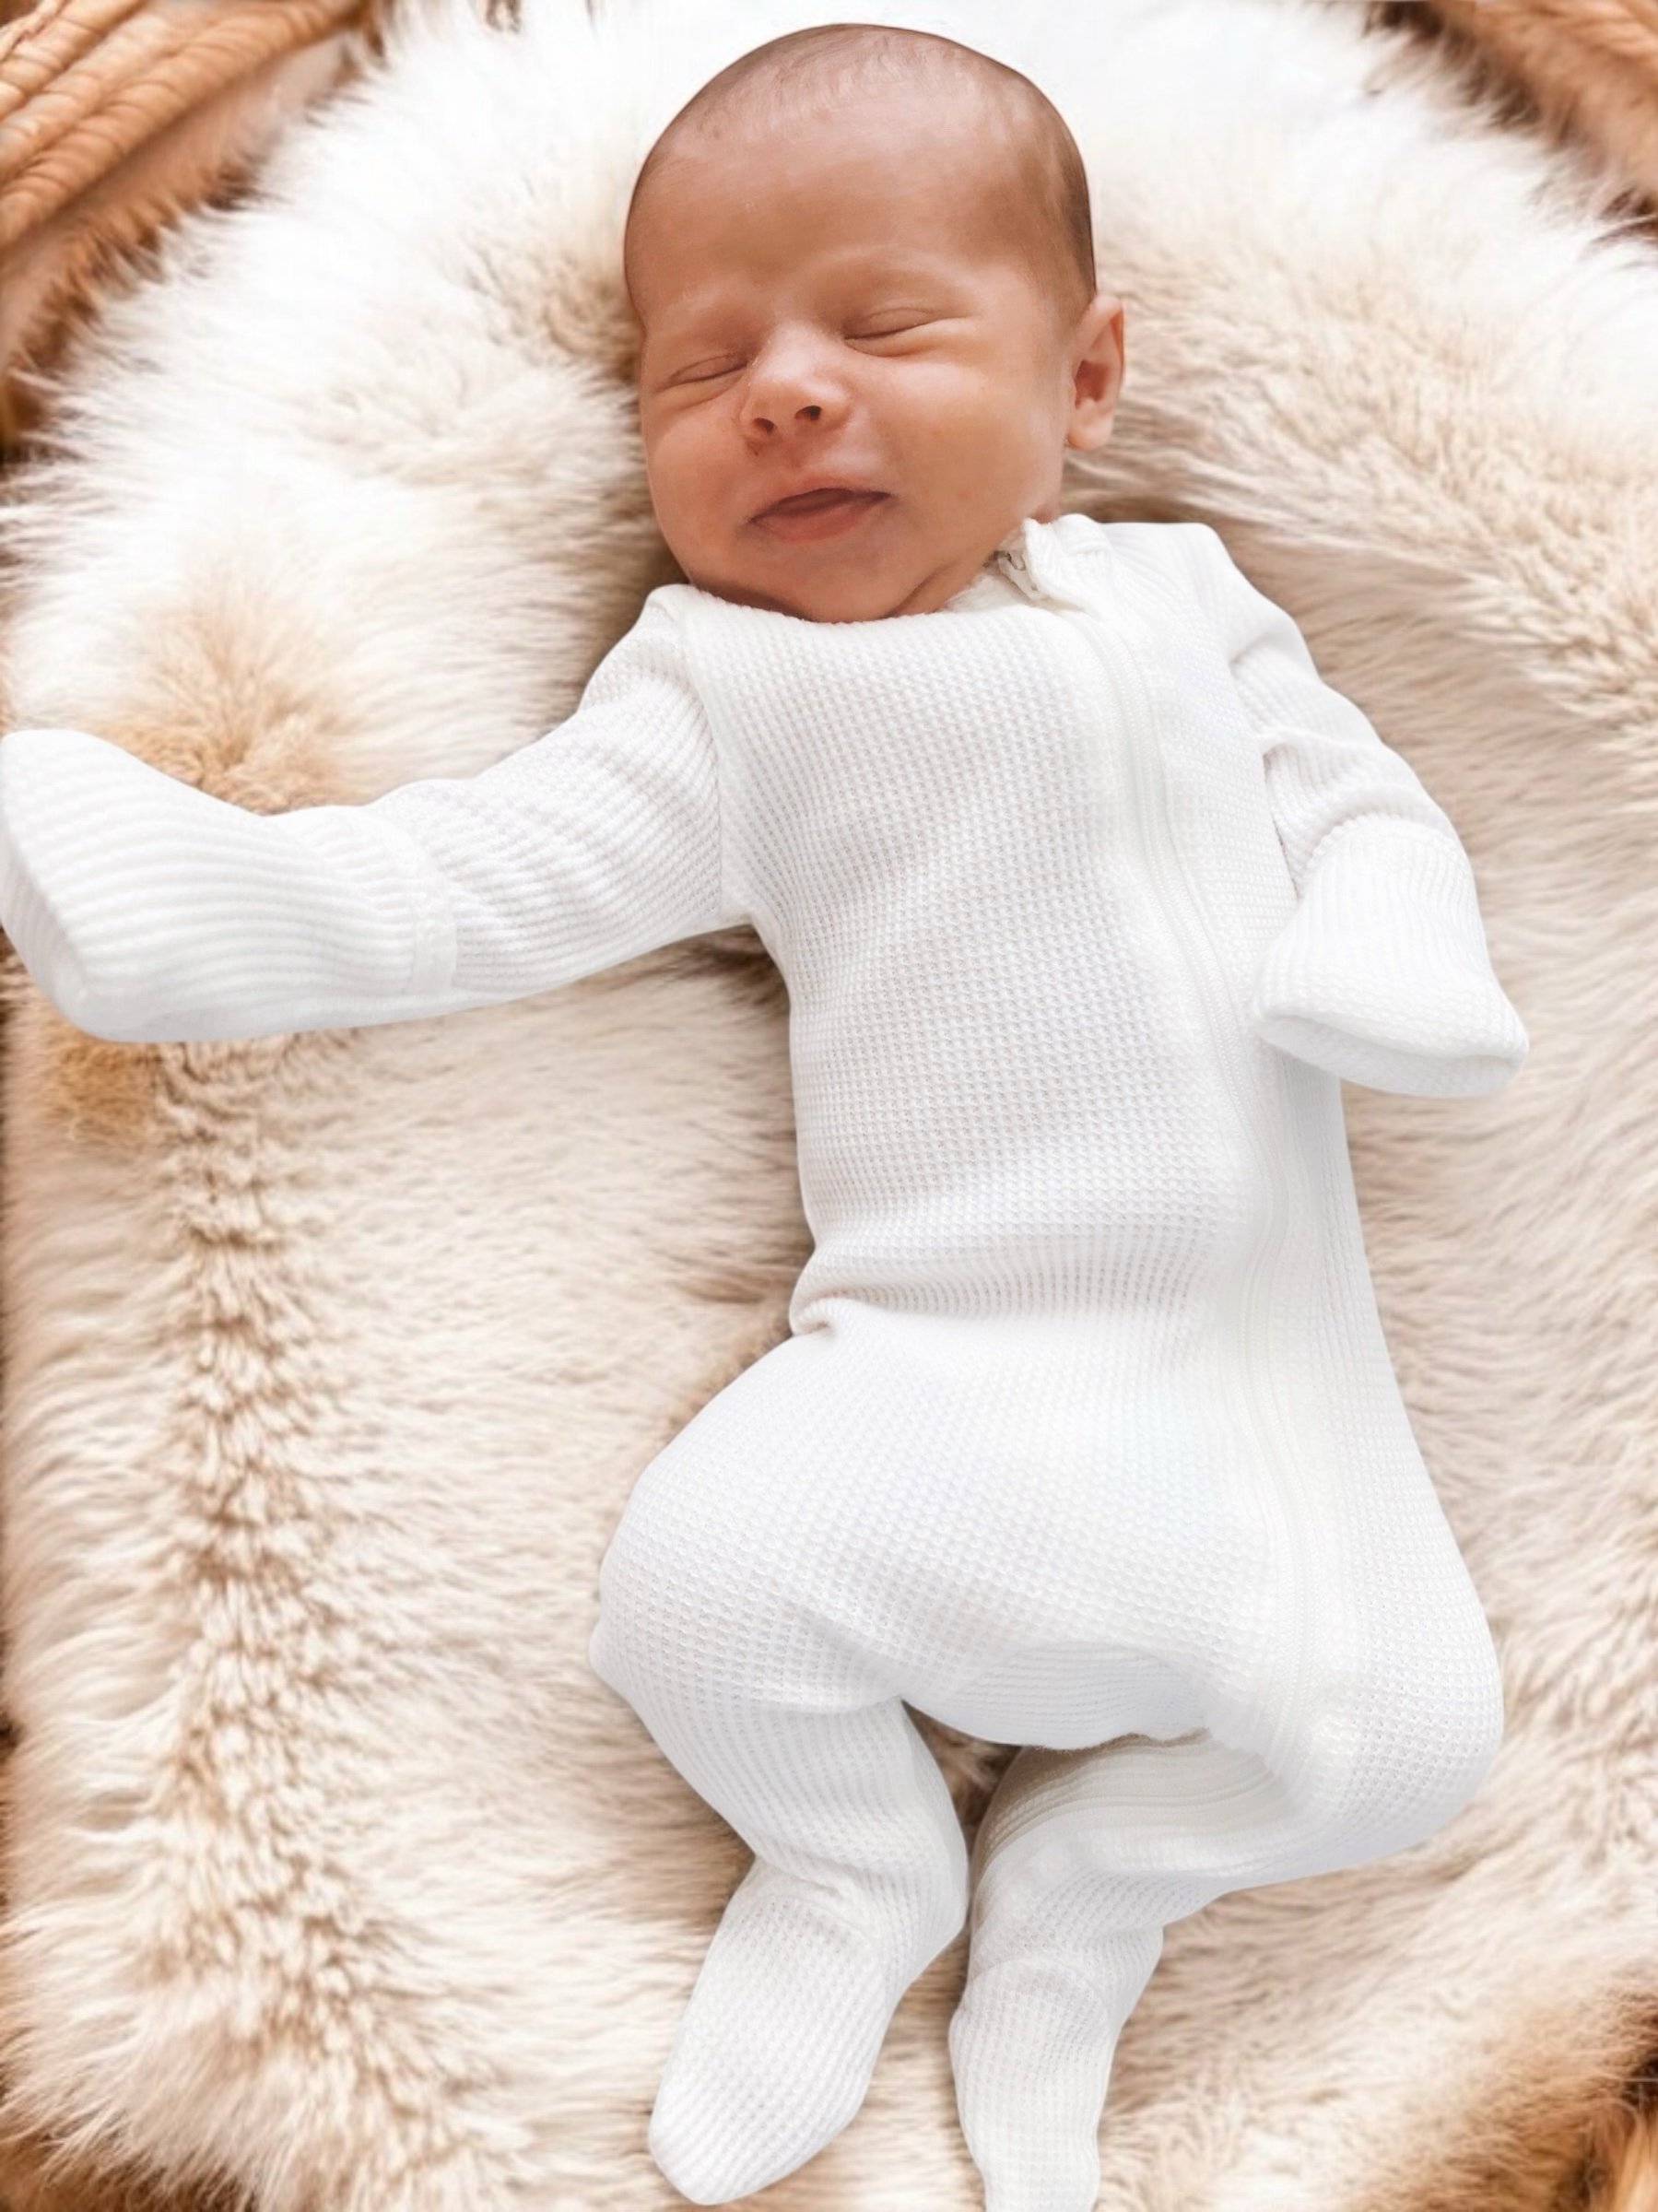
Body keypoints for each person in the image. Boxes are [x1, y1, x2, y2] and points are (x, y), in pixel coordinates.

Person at [0, 22, 1529, 2212]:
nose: (785, 392)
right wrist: (177, 888)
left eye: (884, 328)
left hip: (1277, 1419)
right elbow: (472, 882)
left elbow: (1355, 795)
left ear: (1081, 384)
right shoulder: (725, 700)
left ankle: (1085, 1893)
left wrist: (1394, 946)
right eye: (696, 371)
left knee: (1403, 1755)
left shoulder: (1187, 605)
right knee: (696, 1599)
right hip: (939, 1380)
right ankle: (854, 1867)